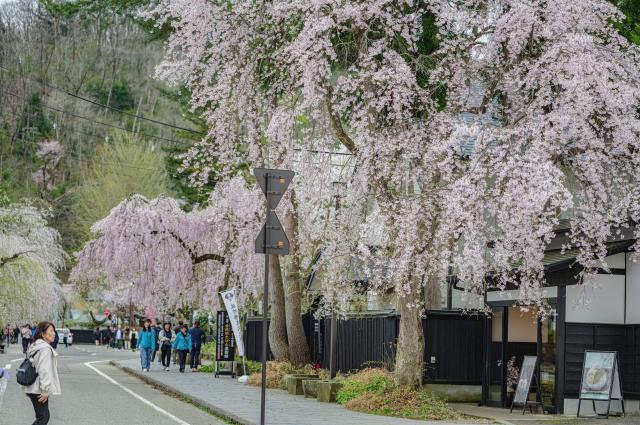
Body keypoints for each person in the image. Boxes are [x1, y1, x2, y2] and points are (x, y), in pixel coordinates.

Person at [23, 321, 61, 425]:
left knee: (42, 417)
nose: (54, 333)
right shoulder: (45, 349)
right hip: (38, 389)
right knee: (43, 418)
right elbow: (44, 370)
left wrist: (27, 388)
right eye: (51, 331)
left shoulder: (34, 345)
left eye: (54, 331)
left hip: (32, 386)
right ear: (43, 334)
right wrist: (45, 391)